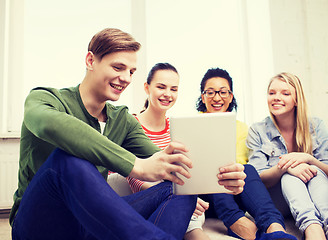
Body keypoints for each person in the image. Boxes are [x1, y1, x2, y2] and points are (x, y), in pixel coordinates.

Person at [10, 28, 202, 240]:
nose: (126, 78)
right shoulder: (44, 99)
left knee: (177, 190)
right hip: (40, 224)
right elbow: (49, 125)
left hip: (88, 223)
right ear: (91, 60)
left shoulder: (122, 119)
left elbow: (168, 162)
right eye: (118, 67)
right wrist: (135, 165)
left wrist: (221, 177)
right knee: (70, 158)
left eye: (131, 71)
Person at [133, 63, 246, 240]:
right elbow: (131, 172)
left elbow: (188, 171)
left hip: (182, 198)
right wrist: (171, 193)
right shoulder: (132, 124)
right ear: (147, 88)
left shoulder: (178, 128)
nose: (167, 94)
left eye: (174, 89)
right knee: (186, 206)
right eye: (161, 87)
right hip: (149, 198)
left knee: (189, 204)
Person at [192, 68, 297, 240]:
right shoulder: (192, 125)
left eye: (223, 92)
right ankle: (237, 222)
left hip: (233, 191)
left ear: (230, 96)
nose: (217, 97)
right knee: (218, 169)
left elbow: (241, 170)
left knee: (246, 168)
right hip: (206, 198)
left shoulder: (241, 128)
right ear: (203, 97)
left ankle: (274, 227)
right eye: (210, 92)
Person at [246, 72, 328, 240]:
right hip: (279, 199)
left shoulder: (317, 126)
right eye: (272, 93)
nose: (276, 97)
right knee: (289, 176)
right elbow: (258, 178)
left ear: (297, 99)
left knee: (315, 171)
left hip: (316, 192)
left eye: (285, 93)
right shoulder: (258, 130)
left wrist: (308, 159)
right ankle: (312, 228)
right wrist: (287, 167)